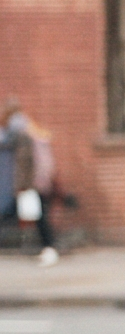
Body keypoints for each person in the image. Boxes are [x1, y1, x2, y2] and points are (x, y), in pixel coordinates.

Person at [4, 102, 59, 265]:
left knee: (35, 216)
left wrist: (22, 185)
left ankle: (50, 248)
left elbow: (24, 162)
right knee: (36, 215)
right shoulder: (32, 131)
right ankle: (49, 248)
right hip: (40, 181)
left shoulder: (21, 134)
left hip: (31, 183)